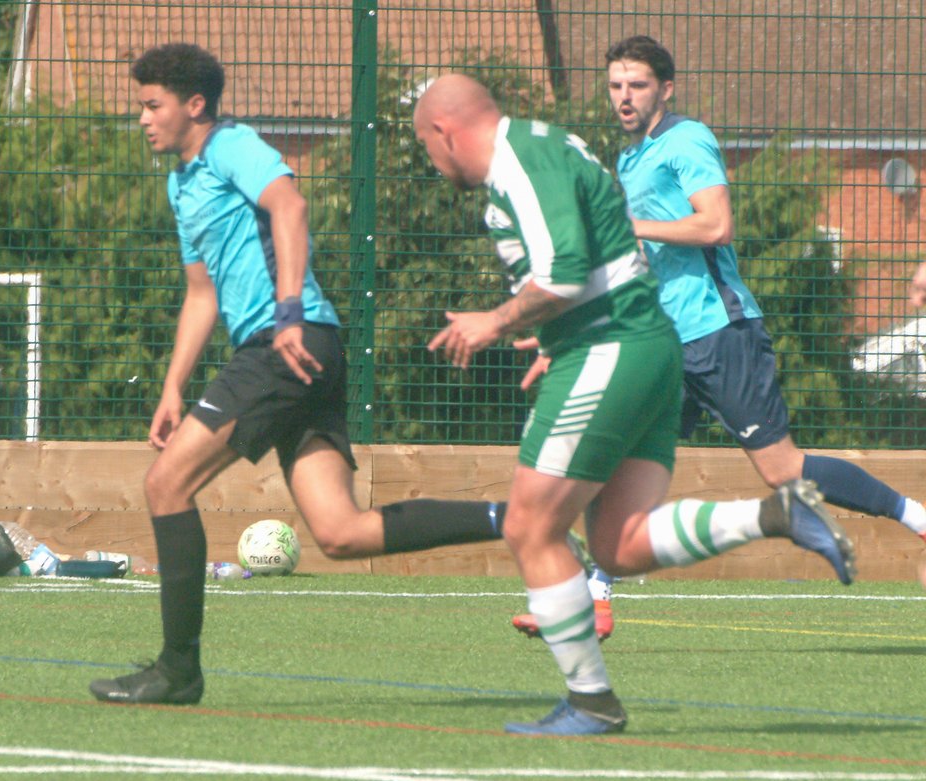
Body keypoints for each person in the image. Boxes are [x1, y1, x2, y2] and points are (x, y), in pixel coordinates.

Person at [413, 73, 855, 735]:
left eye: (426, 147)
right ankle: (776, 512)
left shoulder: (520, 161)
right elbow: (604, 255)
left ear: (444, 131)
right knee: (618, 544)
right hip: (642, 347)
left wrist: (495, 321)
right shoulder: (546, 145)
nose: (431, 161)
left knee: (530, 525)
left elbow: (562, 273)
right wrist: (553, 336)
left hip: (610, 348)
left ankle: (591, 701)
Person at [89, 44, 517, 706]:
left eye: (152, 105)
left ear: (194, 105)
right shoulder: (182, 184)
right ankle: (513, 518)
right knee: (341, 532)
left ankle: (177, 670)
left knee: (166, 483)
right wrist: (174, 387)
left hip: (284, 343)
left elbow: (290, 207)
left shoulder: (231, 146)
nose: (142, 118)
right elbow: (201, 293)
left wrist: (287, 311)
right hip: (300, 349)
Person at [514, 34, 926, 641]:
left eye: (637, 85)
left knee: (783, 471)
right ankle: (593, 601)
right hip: (660, 342)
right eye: (616, 86)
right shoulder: (630, 158)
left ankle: (915, 515)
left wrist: (630, 224)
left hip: (718, 332)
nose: (624, 97)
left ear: (666, 88)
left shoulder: (687, 140)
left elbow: (716, 225)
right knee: (617, 461)